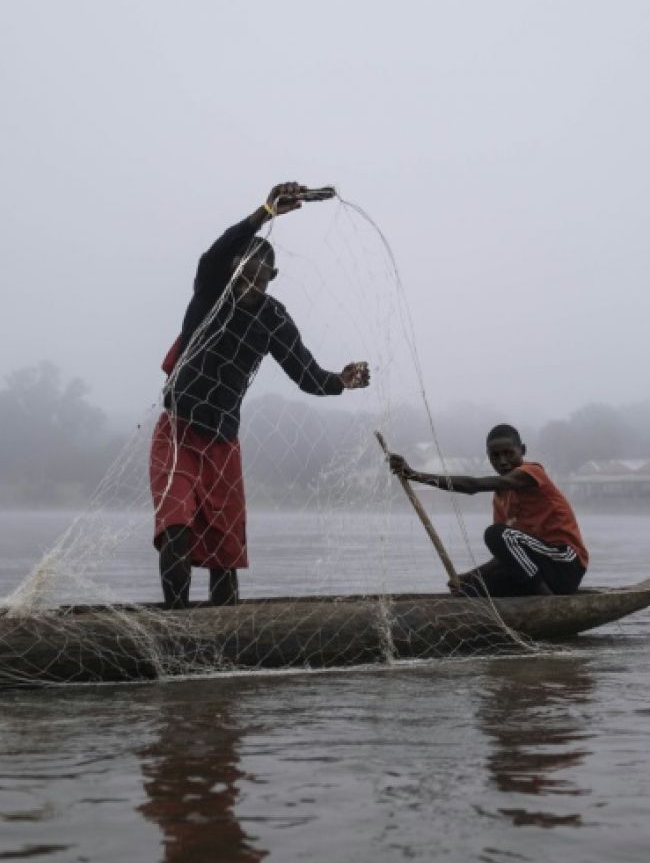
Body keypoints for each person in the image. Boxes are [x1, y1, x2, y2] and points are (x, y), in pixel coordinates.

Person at [150, 182, 371, 609]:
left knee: (225, 549)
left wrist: (340, 380)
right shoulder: (211, 294)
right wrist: (265, 212)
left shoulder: (273, 318)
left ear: (272, 278)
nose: (249, 282)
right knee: (176, 528)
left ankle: (224, 631)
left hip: (223, 442)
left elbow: (306, 375)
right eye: (242, 272)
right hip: (177, 433)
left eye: (258, 276)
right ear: (231, 271)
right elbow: (212, 257)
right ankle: (174, 627)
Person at [388, 424, 588, 597]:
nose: (502, 461)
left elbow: (473, 486)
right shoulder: (501, 498)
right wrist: (468, 577)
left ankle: (547, 601)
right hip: (539, 570)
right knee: (470, 591)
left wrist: (414, 475)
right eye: (495, 456)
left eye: (509, 453)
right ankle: (536, 597)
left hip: (565, 565)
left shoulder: (531, 473)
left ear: (523, 450)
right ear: (488, 457)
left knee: (495, 534)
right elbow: (508, 554)